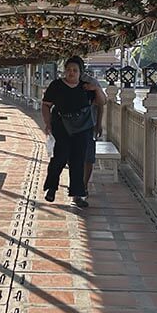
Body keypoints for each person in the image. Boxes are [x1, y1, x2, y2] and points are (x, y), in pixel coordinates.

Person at [41, 56, 105, 207]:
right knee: (60, 157)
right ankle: (51, 187)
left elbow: (102, 102)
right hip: (62, 126)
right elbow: (46, 105)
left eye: (75, 70)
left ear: (80, 72)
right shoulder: (56, 85)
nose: (71, 73)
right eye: (69, 70)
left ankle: (78, 194)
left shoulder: (86, 87)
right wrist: (48, 123)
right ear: (65, 71)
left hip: (82, 128)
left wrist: (97, 89)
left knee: (78, 161)